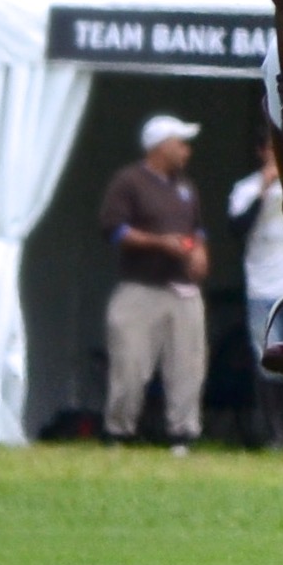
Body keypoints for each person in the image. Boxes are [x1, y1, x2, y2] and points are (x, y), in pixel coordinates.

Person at [98, 110, 209, 446]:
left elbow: (198, 229)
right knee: (130, 364)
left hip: (183, 290)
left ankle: (182, 434)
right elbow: (114, 229)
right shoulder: (128, 181)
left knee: (188, 365)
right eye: (181, 144)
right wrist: (160, 243)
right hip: (140, 289)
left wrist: (200, 252)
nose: (186, 151)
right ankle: (120, 431)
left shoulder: (186, 188)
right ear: (160, 146)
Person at [226, 129, 283, 445]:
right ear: (261, 152)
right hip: (262, 290)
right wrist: (264, 187)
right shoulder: (245, 189)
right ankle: (278, 435)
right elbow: (237, 227)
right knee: (268, 362)